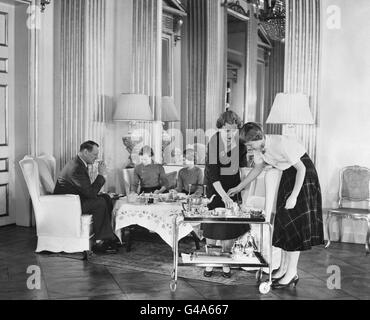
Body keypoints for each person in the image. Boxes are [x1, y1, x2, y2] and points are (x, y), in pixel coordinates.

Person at [228, 122, 324, 289]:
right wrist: (238, 187)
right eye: (247, 146)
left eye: (250, 144)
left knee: (295, 226)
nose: (249, 148)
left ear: (259, 138)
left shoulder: (280, 143)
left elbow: (301, 169)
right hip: (288, 175)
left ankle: (292, 273)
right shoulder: (259, 149)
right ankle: (284, 269)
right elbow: (257, 169)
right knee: (285, 224)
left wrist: (294, 196)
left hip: (303, 177)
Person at [202, 110, 250, 278]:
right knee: (212, 227)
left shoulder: (241, 144)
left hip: (233, 188)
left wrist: (243, 194)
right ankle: (209, 261)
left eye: (234, 130)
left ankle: (225, 262)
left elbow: (244, 171)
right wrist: (224, 196)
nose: (231, 134)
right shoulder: (214, 141)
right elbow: (213, 174)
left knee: (229, 229)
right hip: (215, 190)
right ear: (220, 128)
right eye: (227, 130)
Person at [54, 141, 118, 254]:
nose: (97, 158)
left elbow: (87, 191)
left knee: (106, 198)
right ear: (85, 152)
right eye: (94, 154)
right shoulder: (76, 168)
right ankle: (100, 242)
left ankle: (108, 236)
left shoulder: (79, 163)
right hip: (68, 205)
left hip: (76, 200)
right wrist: (101, 175)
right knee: (100, 202)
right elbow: (90, 193)